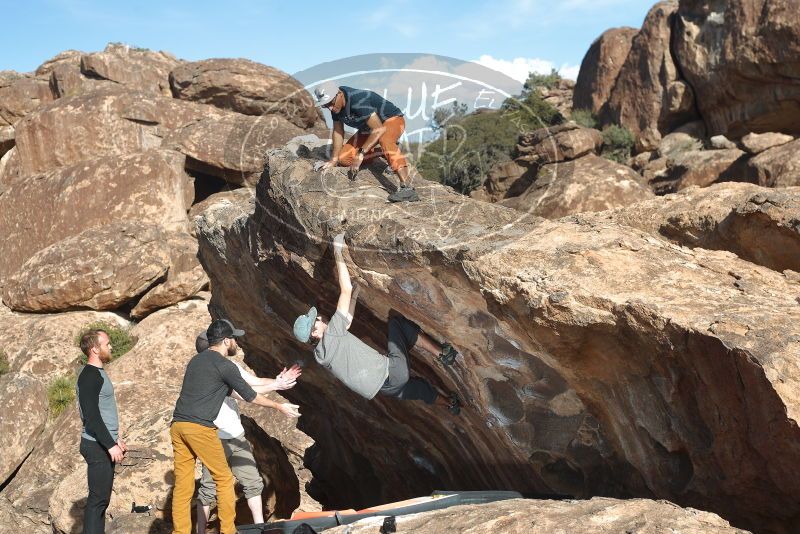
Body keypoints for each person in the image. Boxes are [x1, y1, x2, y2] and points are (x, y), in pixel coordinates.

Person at [293, 233, 461, 413]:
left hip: (386, 388)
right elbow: (345, 289)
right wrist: (338, 251)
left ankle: (451, 405)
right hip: (393, 373)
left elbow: (346, 323)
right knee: (397, 324)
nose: (319, 318)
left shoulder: (321, 354)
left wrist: (356, 296)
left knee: (420, 388)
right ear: (315, 334)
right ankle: (442, 353)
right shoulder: (331, 335)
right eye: (315, 322)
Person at [170, 319, 301, 534]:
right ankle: (228, 531)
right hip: (200, 428)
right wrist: (278, 405)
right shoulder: (225, 365)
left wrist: (276, 383)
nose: (237, 343)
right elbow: (249, 395)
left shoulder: (196, 362)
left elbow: (233, 390)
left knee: (183, 486)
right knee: (222, 479)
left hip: (178, 426)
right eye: (235, 339)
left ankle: (180, 532)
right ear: (226, 340)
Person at [314, 84, 419, 203]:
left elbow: (379, 129)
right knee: (343, 160)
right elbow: (338, 132)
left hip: (392, 120)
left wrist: (361, 153)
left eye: (331, 103)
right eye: (325, 105)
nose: (330, 108)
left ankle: (407, 188)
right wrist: (333, 160)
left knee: (385, 140)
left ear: (340, 94)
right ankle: (381, 152)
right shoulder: (335, 108)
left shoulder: (358, 99)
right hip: (369, 128)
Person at [76, 329, 127, 534]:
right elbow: (91, 416)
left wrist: (116, 439)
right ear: (95, 349)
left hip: (102, 442)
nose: (111, 346)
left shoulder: (97, 373)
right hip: (96, 445)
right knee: (97, 501)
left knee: (101, 501)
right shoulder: (89, 376)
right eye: (107, 343)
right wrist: (110, 444)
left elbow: (104, 412)